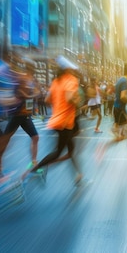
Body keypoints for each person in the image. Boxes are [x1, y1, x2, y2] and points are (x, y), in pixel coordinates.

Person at [21, 56, 83, 186]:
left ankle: (78, 175)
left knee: (70, 149)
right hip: (66, 123)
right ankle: (34, 170)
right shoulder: (71, 80)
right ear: (68, 70)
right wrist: (77, 101)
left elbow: (47, 100)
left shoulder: (56, 81)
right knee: (58, 152)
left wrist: (58, 108)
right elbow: (70, 98)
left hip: (57, 121)